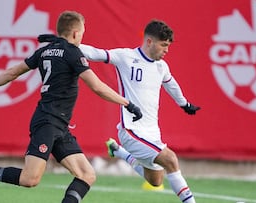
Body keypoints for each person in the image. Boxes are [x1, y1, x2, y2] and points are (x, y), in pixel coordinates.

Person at [0, 11, 142, 203]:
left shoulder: (45, 50)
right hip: (48, 122)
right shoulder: (72, 53)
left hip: (59, 125)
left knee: (86, 174)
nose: (82, 36)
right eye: (83, 32)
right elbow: (96, 86)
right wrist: (127, 103)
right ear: (76, 33)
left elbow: (13, 72)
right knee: (30, 178)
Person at [79, 19, 201, 203]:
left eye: (168, 46)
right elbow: (95, 53)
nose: (166, 50)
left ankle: (118, 152)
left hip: (152, 133)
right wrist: (67, 44)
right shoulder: (126, 57)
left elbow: (171, 85)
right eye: (164, 45)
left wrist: (184, 103)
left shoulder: (162, 66)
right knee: (171, 160)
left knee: (155, 180)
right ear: (150, 42)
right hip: (131, 131)